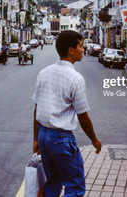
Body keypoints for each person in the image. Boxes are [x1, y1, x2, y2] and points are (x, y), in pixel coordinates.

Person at [33, 30, 102, 196]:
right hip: (61, 139)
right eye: (80, 46)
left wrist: (36, 138)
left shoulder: (44, 73)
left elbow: (36, 109)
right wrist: (94, 139)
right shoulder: (75, 78)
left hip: (43, 135)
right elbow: (83, 116)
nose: (83, 49)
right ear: (71, 50)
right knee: (75, 187)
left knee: (51, 184)